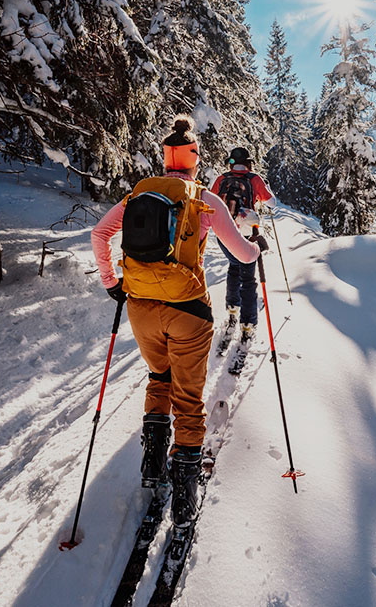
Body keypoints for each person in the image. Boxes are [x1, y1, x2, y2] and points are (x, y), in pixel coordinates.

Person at [90, 116, 268, 527]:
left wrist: (111, 283)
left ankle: (153, 465)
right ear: (193, 160)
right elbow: (242, 254)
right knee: (188, 399)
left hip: (139, 306)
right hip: (188, 309)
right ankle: (185, 500)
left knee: (159, 378)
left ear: (165, 157)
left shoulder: (138, 193)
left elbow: (99, 235)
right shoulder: (204, 199)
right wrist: (257, 247)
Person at [209, 146, 277, 345]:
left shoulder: (222, 179)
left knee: (233, 267)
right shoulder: (254, 179)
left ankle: (232, 308)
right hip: (246, 233)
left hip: (224, 234)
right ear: (248, 162)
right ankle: (248, 323)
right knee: (248, 277)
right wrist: (266, 190)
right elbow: (273, 203)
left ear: (231, 162)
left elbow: (212, 203)